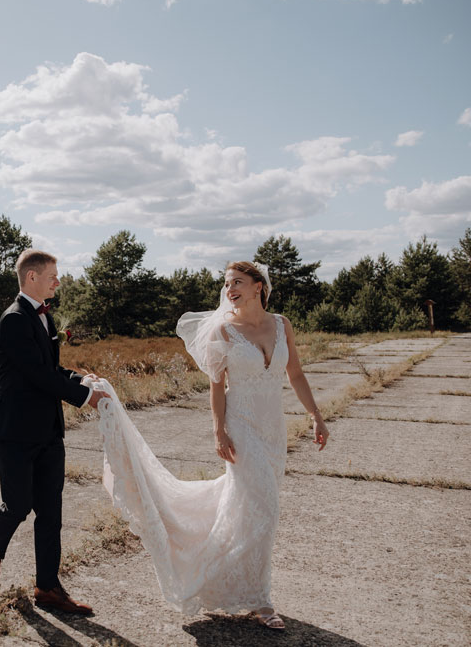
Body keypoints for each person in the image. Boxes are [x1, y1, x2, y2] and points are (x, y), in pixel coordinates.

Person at [94, 260, 329, 631]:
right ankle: (261, 600)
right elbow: (217, 386)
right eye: (226, 283)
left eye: (237, 282)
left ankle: (221, 576)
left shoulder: (282, 325)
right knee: (266, 509)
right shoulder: (222, 330)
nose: (229, 288)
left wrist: (315, 414)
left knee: (247, 509)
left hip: (274, 430)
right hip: (242, 428)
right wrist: (219, 431)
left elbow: (295, 373)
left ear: (258, 286)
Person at [0, 249, 109, 614]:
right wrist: (86, 397)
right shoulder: (14, 320)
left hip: (50, 430)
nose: (58, 280)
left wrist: (80, 378)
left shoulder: (44, 318)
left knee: (51, 511)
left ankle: (48, 588)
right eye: (53, 275)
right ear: (32, 277)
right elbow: (36, 375)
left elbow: (51, 367)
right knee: (18, 505)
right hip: (17, 431)